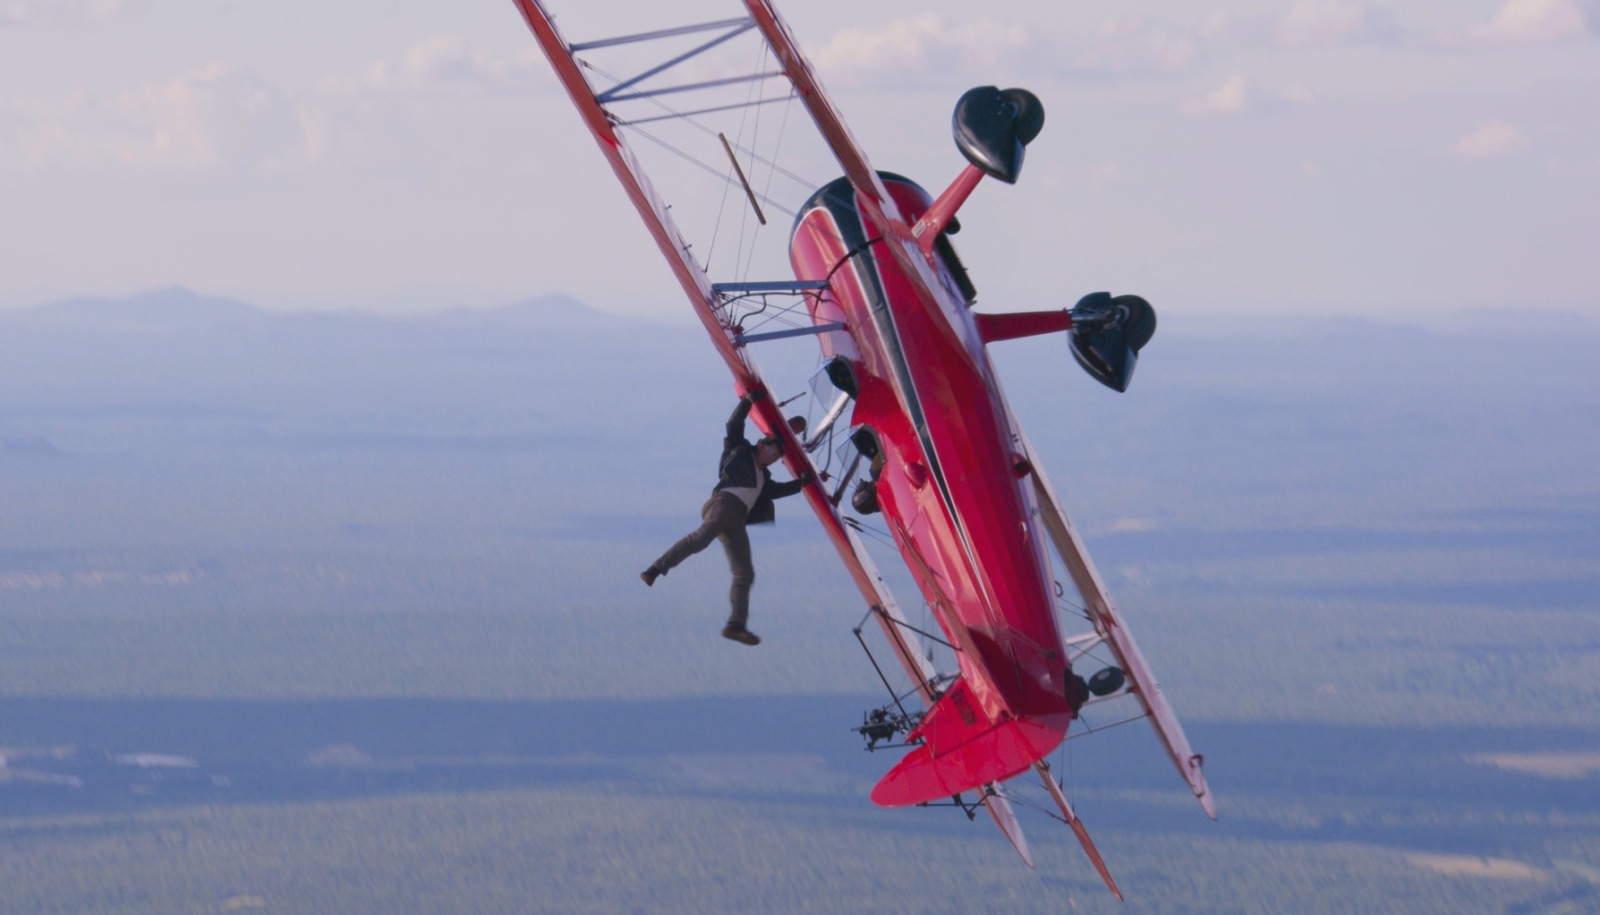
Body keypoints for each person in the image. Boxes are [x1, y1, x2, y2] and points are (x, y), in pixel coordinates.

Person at [640, 387, 813, 646]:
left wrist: (800, 484)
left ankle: (736, 625)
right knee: (701, 539)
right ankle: (655, 569)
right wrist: (748, 401)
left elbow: (775, 492)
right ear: (761, 445)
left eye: (777, 457)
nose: (774, 457)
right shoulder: (740, 451)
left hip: (737, 518)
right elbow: (734, 424)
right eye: (771, 451)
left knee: (745, 572)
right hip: (723, 503)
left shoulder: (763, 478)